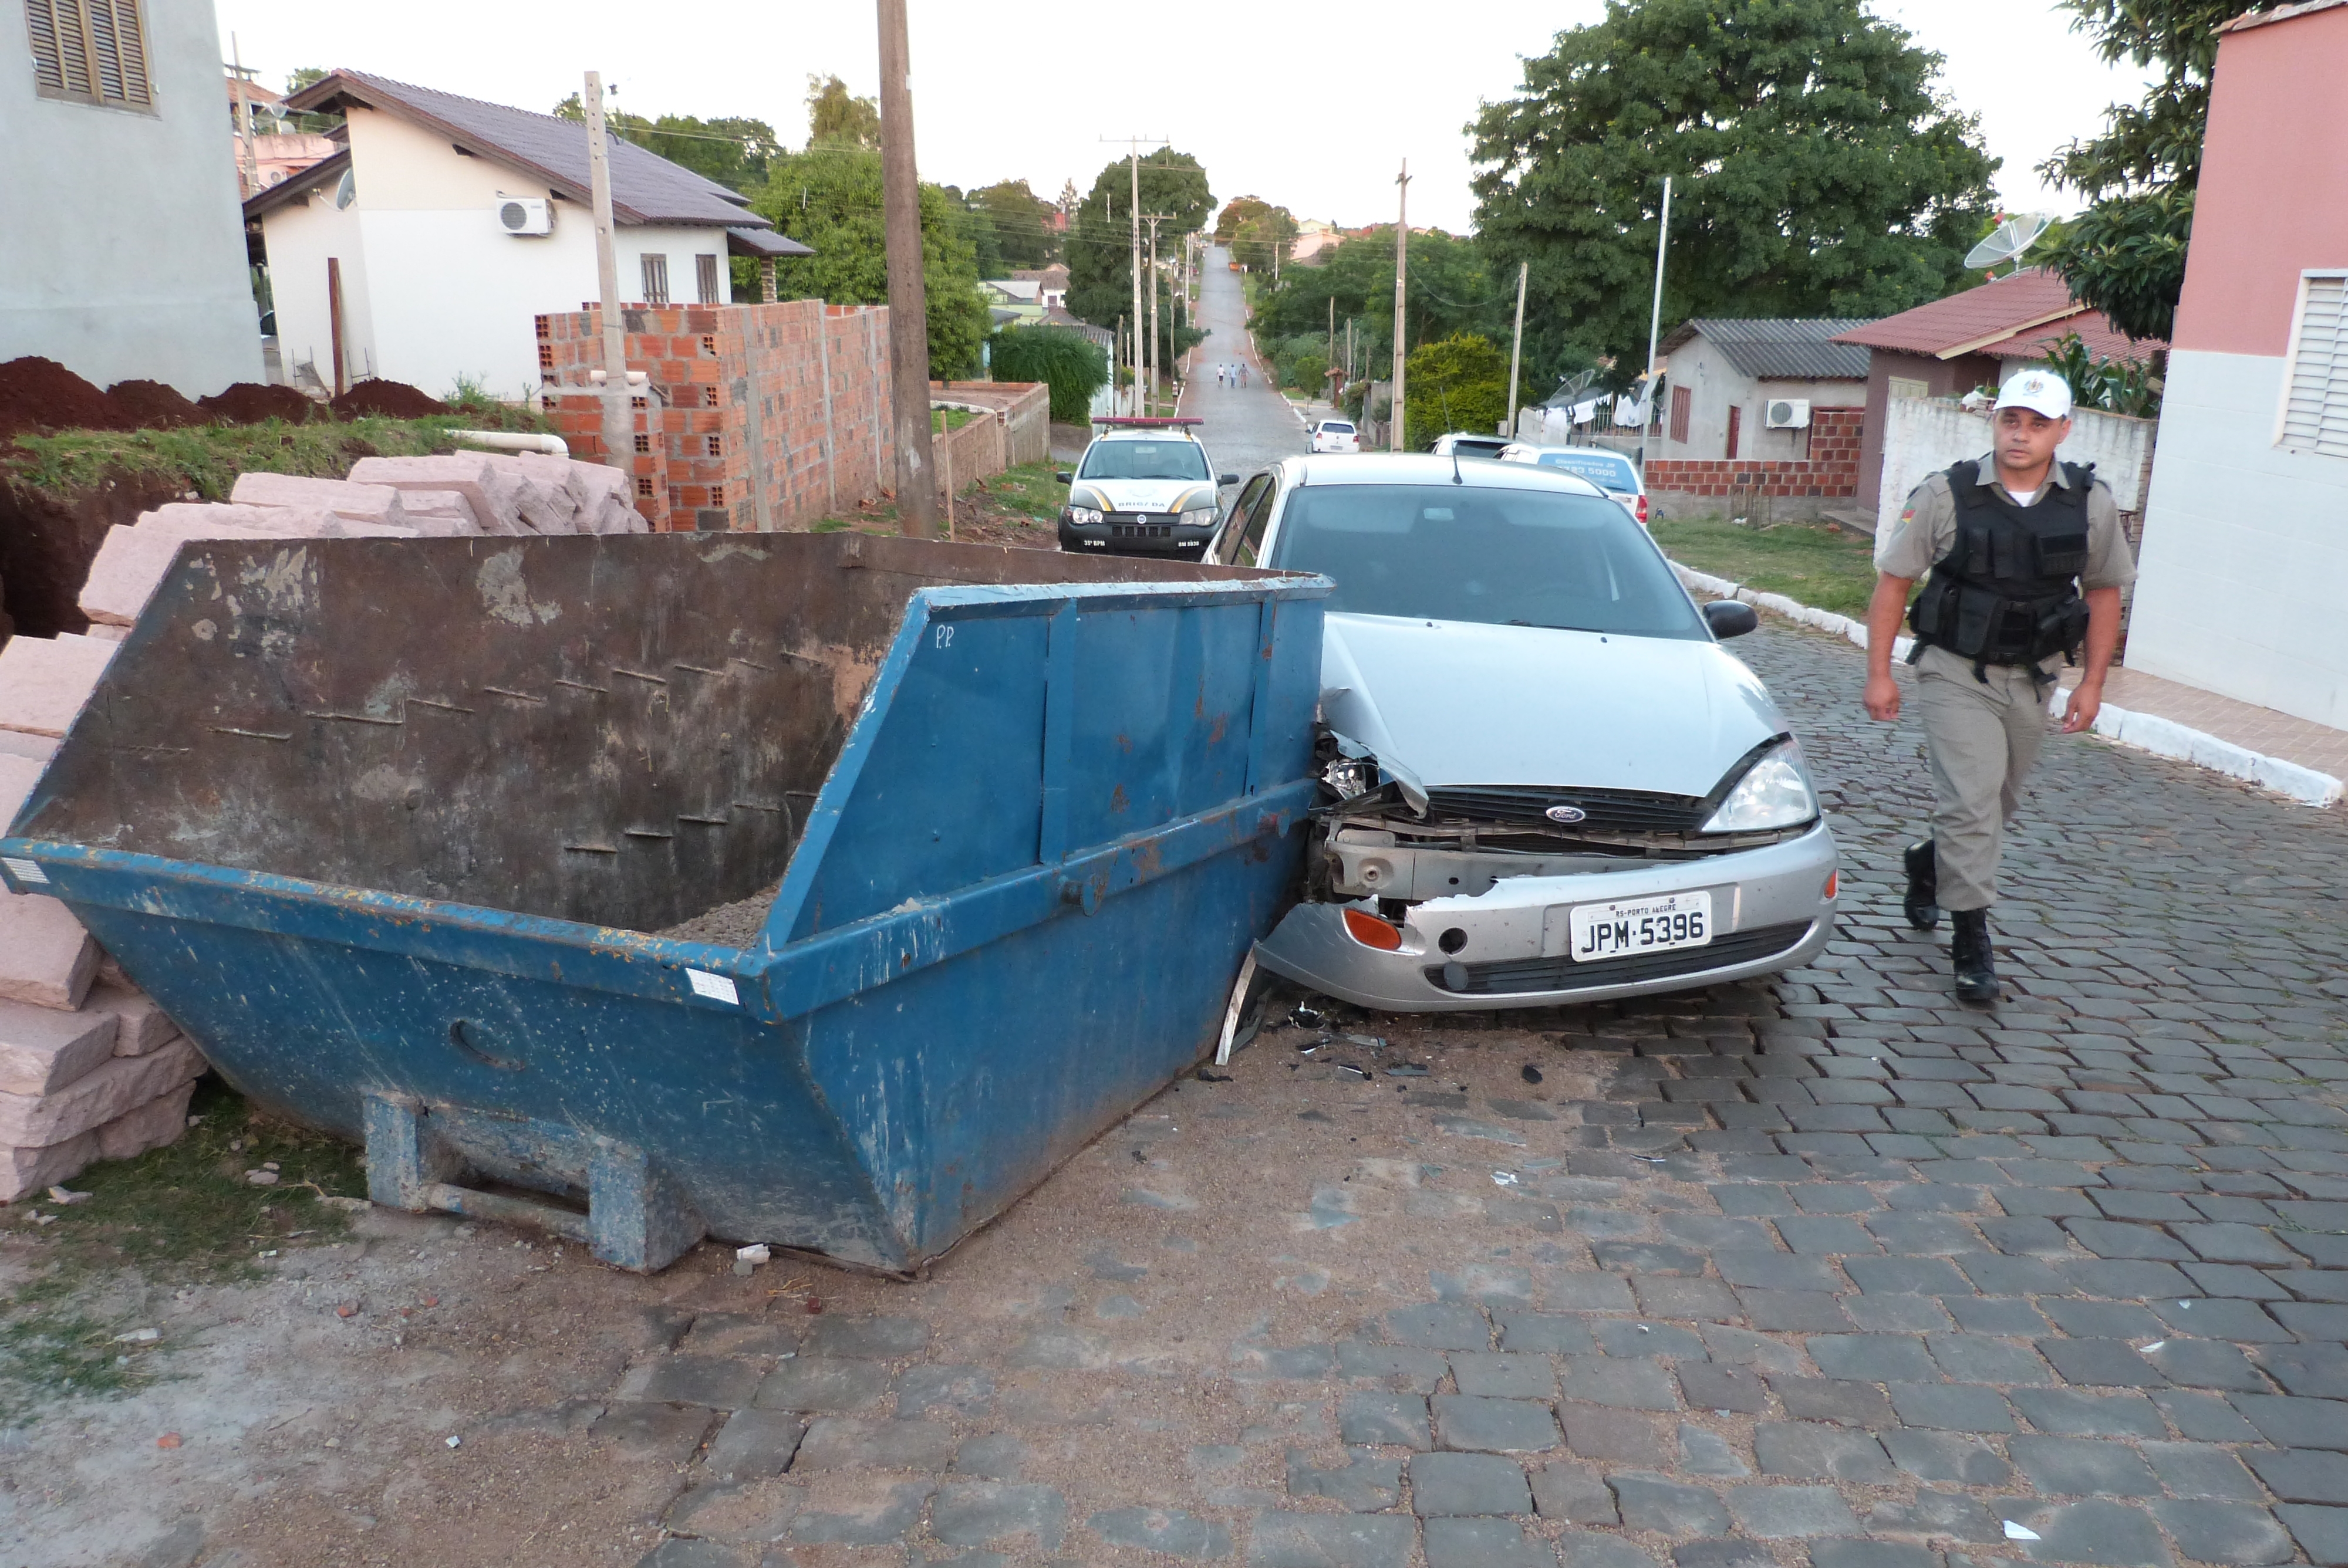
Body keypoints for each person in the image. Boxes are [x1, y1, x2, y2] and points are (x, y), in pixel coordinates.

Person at [1861, 368, 2135, 1003]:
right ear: (1995, 421)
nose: (2021, 434)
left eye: (2038, 424)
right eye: (2011, 419)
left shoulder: (2089, 501)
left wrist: (2091, 683)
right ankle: (1971, 940)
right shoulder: (1944, 493)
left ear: (2063, 430)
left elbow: (2102, 593)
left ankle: (1928, 863)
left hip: (2034, 676)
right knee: (1970, 803)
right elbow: (1894, 581)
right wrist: (1879, 672)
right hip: (1955, 670)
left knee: (1994, 808)